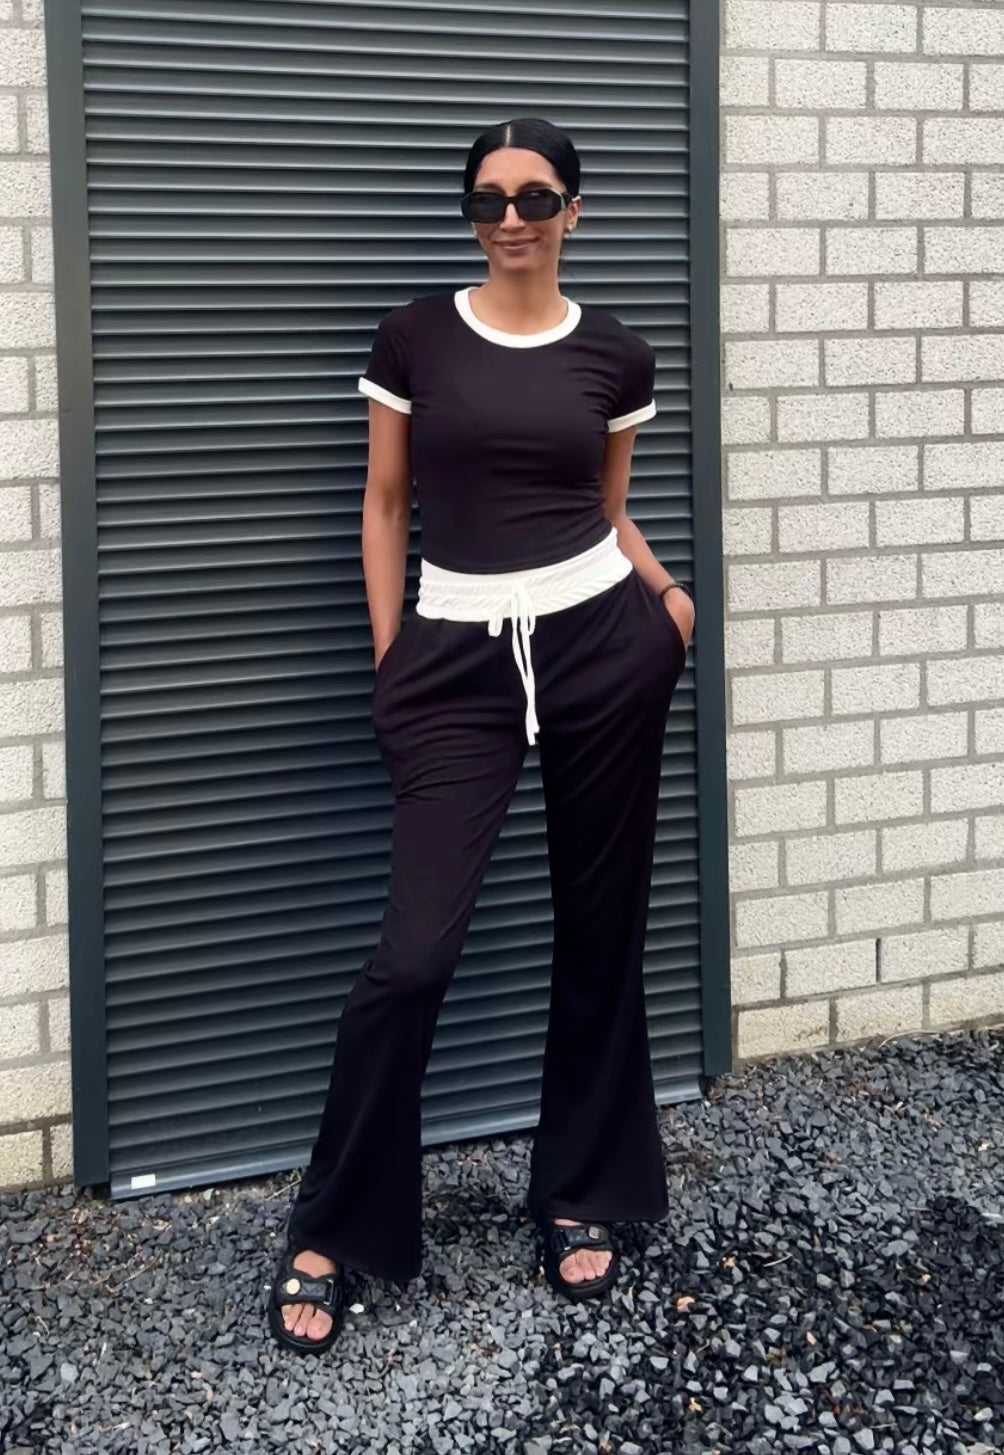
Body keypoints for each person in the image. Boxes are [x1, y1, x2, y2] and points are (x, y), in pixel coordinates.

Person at [266, 117, 695, 1354]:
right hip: (453, 655)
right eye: (488, 198)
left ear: (574, 211)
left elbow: (606, 508)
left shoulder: (616, 354)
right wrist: (393, 657)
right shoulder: (414, 335)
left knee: (600, 931)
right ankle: (336, 1227)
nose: (511, 218)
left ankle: (579, 1189)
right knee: (410, 958)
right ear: (469, 215)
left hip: (601, 643)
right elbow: (384, 501)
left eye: (535, 196)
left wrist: (668, 604)